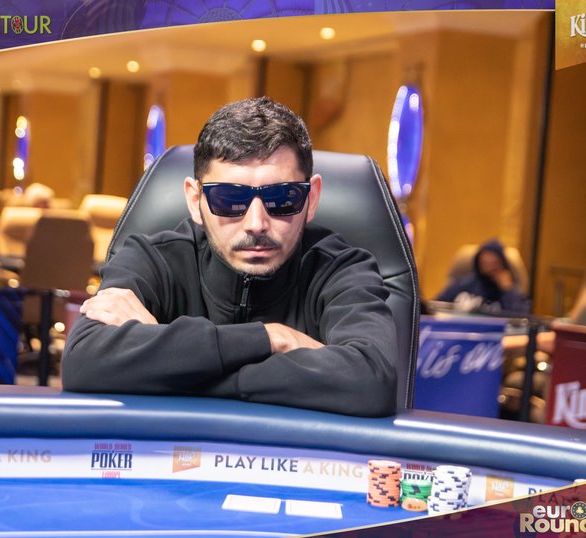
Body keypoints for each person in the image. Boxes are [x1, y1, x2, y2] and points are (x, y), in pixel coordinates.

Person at [62, 97, 398, 417]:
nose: (256, 224)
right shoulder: (152, 259)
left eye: (282, 198)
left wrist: (175, 365)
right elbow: (84, 362)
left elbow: (370, 382)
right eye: (229, 199)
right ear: (195, 200)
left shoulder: (342, 269)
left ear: (311, 199)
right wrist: (273, 337)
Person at [435, 239, 530, 315]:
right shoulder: (462, 284)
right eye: (485, 259)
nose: (489, 264)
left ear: (502, 263)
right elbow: (434, 308)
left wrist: (507, 290)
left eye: (494, 261)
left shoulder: (509, 291)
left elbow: (521, 318)